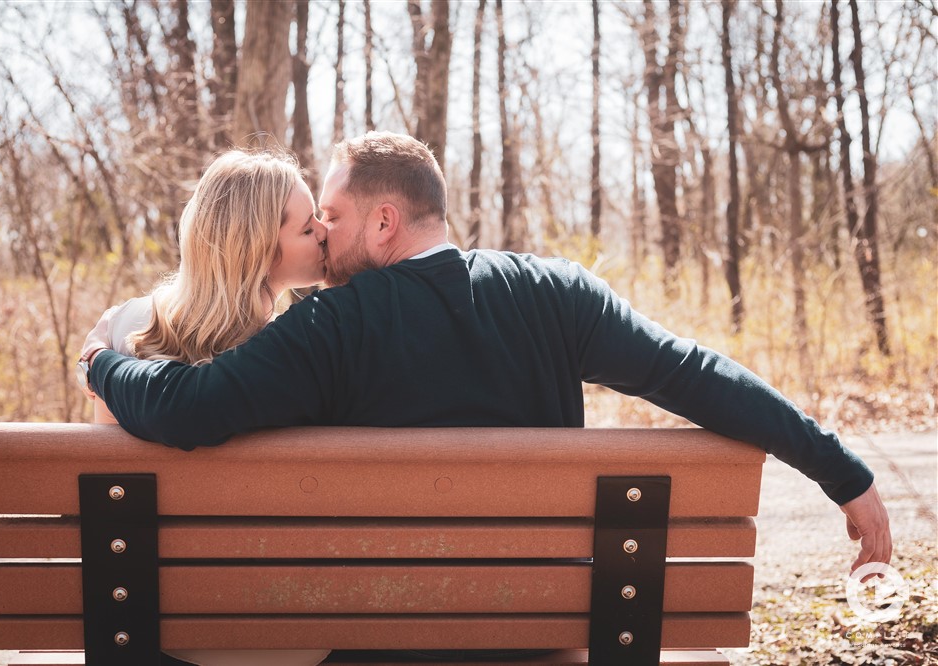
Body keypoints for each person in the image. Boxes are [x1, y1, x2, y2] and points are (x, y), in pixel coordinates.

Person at [82, 132, 891, 587]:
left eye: (330, 216)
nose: (322, 241)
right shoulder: (559, 294)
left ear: (386, 221)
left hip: (378, 628)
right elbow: (693, 375)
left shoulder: (330, 325)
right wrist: (842, 473)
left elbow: (189, 408)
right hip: (545, 615)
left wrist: (101, 363)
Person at [77, 149, 331, 666]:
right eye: (308, 228)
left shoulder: (123, 328)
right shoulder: (297, 348)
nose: (324, 231)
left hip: (147, 627)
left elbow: (108, 486)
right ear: (260, 251)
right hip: (290, 640)